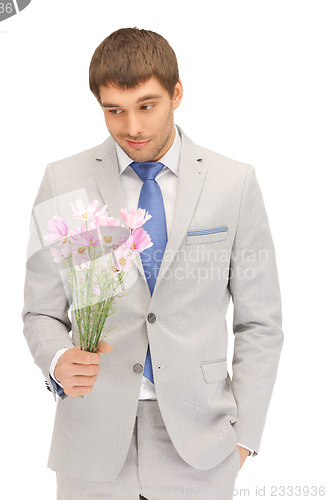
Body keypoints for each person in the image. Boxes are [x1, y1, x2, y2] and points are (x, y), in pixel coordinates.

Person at [22, 27, 284, 500]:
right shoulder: (65, 180)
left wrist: (245, 436)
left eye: (147, 105)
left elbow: (259, 321)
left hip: (202, 440)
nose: (133, 128)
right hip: (91, 440)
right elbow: (41, 310)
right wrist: (58, 359)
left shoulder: (234, 182)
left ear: (176, 93)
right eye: (114, 110)